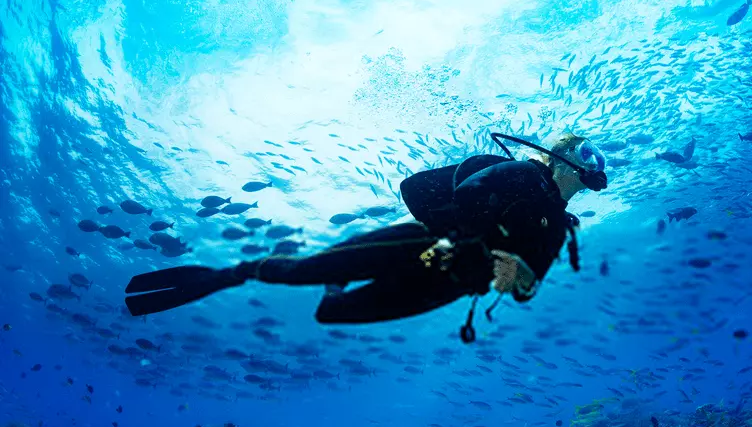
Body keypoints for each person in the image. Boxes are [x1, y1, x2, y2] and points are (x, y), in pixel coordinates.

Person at [124, 131, 608, 341]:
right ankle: (232, 273)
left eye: (597, 159)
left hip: (452, 285)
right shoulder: (523, 175)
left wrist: (518, 277)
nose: (593, 164)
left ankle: (333, 286)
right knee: (301, 272)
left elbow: (525, 291)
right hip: (427, 244)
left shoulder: (558, 228)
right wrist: (485, 244)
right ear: (561, 156)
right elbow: (467, 193)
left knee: (334, 312)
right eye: (586, 152)